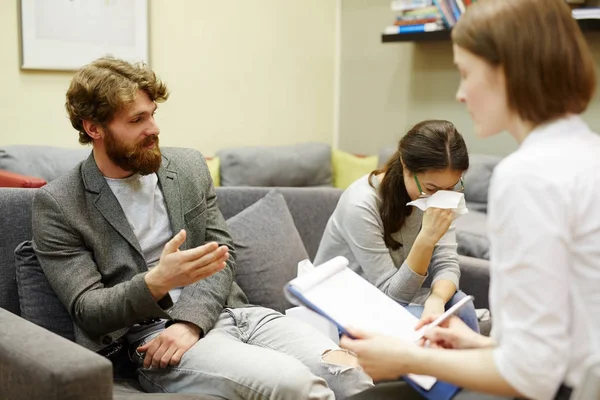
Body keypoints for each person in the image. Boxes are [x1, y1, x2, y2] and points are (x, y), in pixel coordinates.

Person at [31, 56, 373, 399]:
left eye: (152, 113)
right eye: (137, 119)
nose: (154, 128)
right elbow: (88, 310)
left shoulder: (188, 167)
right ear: (94, 128)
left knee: (350, 372)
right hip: (158, 341)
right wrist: (156, 282)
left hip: (237, 314)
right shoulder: (60, 203)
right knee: (296, 385)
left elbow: (222, 252)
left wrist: (190, 321)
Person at [340, 1, 600, 399]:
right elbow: (562, 342)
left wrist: (407, 359)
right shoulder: (586, 154)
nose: (460, 94)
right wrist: (480, 344)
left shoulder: (527, 176)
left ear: (507, 71)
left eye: (465, 72)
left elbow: (531, 374)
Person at [314, 119, 479, 332]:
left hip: (395, 299)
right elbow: (389, 295)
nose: (441, 198)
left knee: (460, 307)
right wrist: (426, 238)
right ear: (405, 165)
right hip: (345, 306)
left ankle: (469, 365)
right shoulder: (361, 204)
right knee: (428, 324)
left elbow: (446, 263)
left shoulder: (442, 195)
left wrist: (436, 299)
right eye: (431, 188)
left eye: (452, 187)